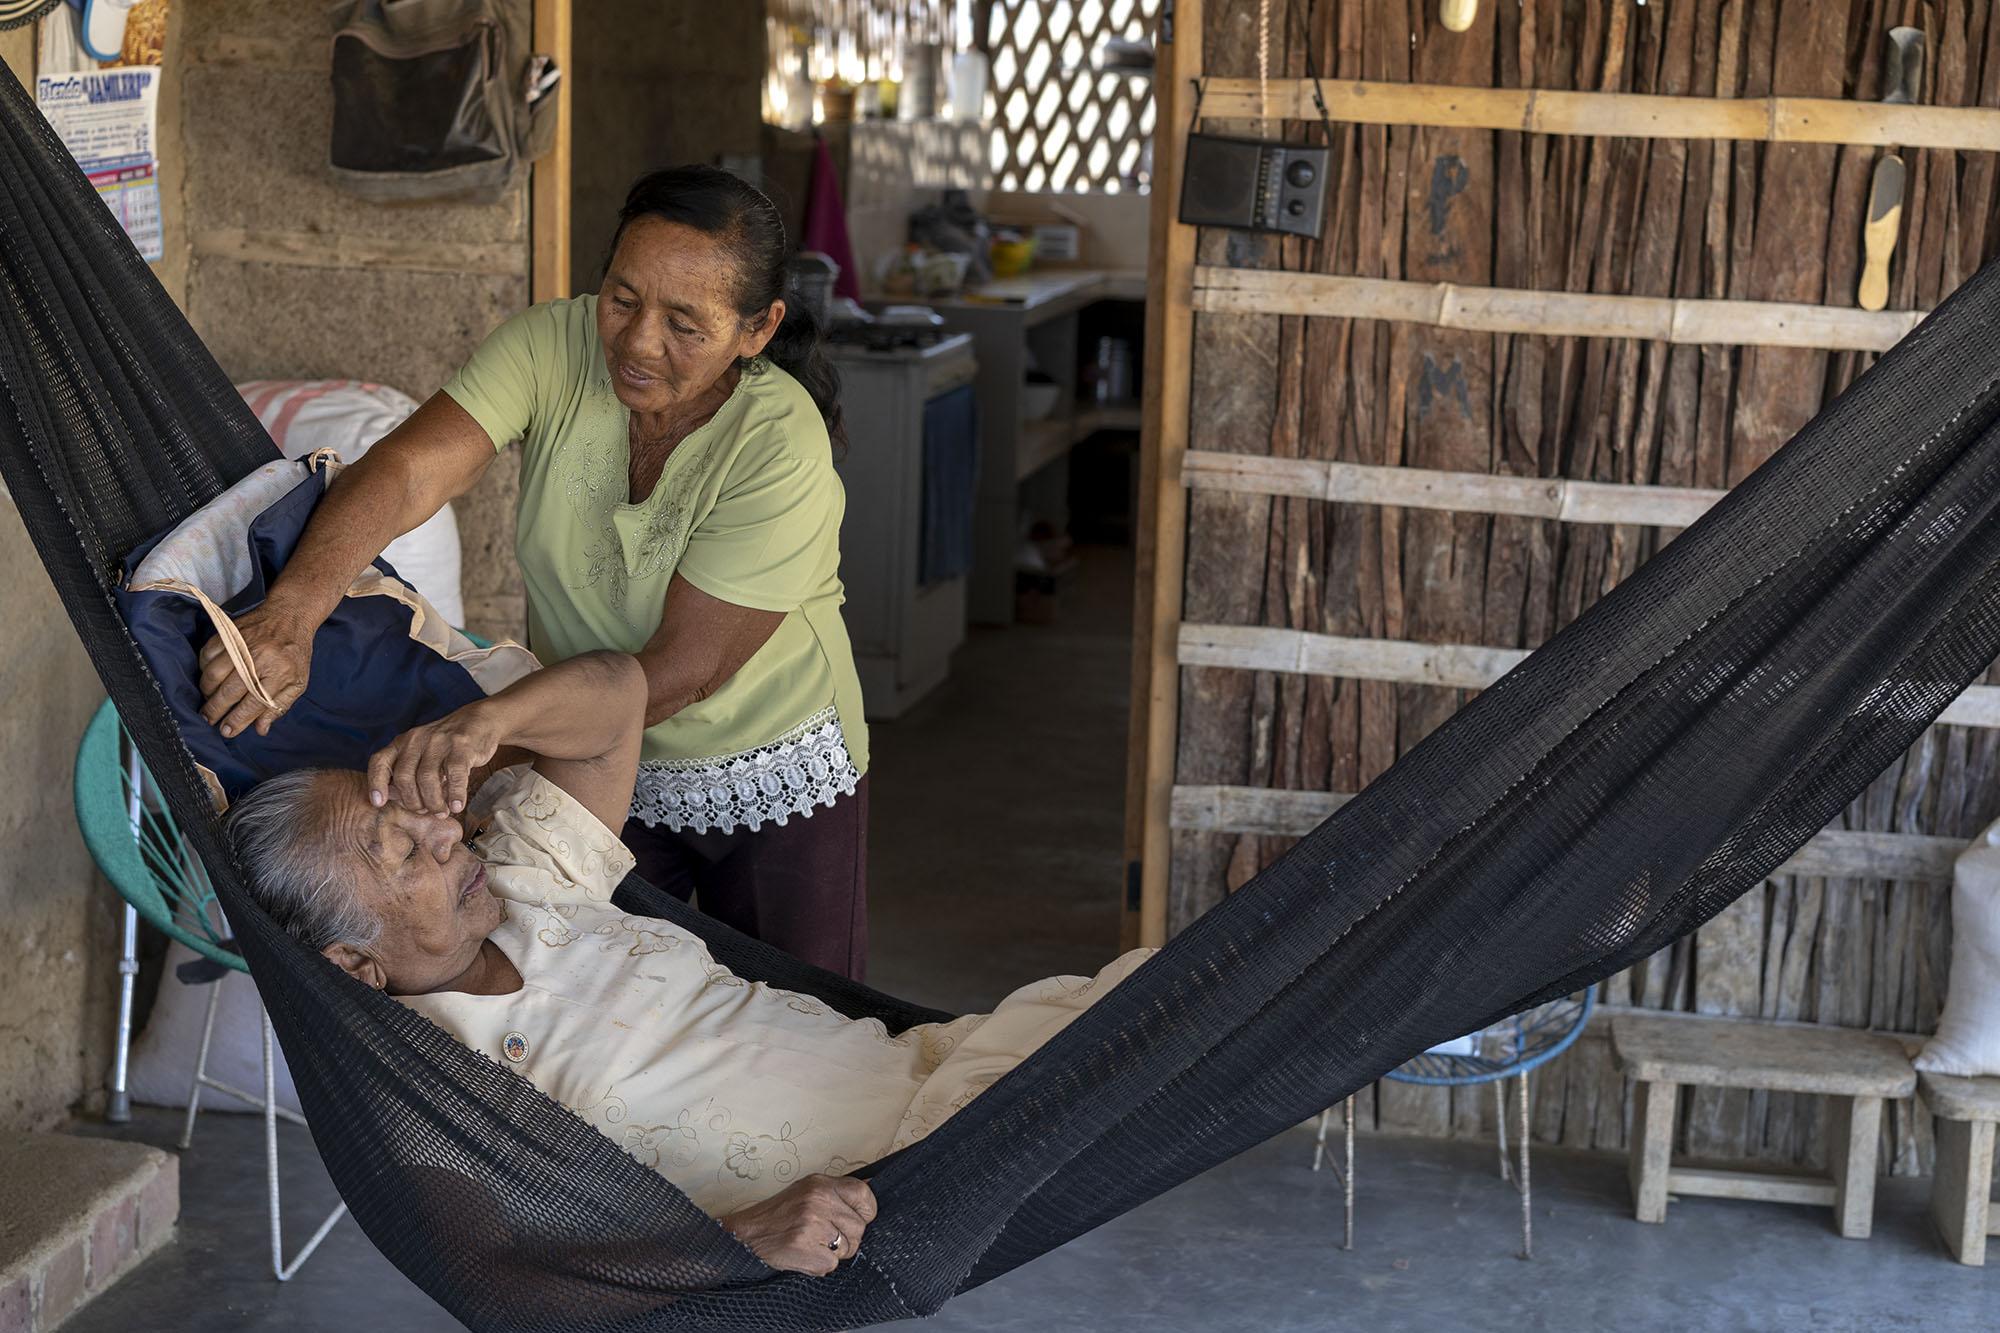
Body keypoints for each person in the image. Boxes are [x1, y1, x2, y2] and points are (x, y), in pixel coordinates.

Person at [223, 652, 1152, 1277]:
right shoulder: (428, 1087)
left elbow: (618, 696)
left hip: (952, 1065)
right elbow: (518, 1287)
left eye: (415, 807)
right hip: (910, 1174)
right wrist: (735, 1238)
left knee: (1178, 990)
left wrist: (488, 722)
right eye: (399, 847)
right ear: (357, 962)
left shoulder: (522, 880)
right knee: (1197, 1019)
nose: (442, 825)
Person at [198, 166, 871, 978]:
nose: (636, 341)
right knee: (593, 994)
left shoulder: (779, 443)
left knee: (798, 1014)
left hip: (763, 763)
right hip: (590, 745)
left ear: (757, 329)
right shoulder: (552, 345)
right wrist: (295, 610)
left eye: (684, 325)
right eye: (622, 299)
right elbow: (412, 470)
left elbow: (685, 670)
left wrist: (497, 736)